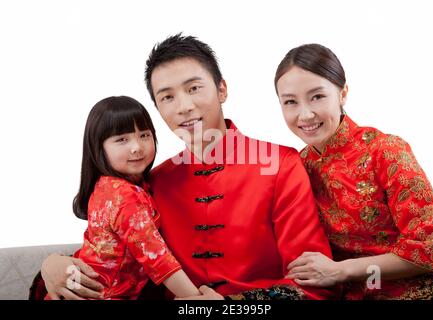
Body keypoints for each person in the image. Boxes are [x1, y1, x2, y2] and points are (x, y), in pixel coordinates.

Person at [36, 34, 335, 300]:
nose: (183, 107)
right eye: (167, 97)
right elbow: (111, 248)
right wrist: (52, 265)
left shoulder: (281, 165)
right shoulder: (156, 181)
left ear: (222, 90)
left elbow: (312, 287)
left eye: (193, 88)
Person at [274, 43, 433, 299]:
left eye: (317, 96)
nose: (305, 114)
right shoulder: (297, 166)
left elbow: (428, 250)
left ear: (343, 93)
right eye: (290, 102)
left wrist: (341, 270)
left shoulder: (385, 150)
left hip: (423, 293)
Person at [44, 96, 201, 300]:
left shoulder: (107, 186)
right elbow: (157, 259)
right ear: (99, 147)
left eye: (144, 135)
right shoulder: (125, 195)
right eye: (121, 139)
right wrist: (199, 300)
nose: (136, 147)